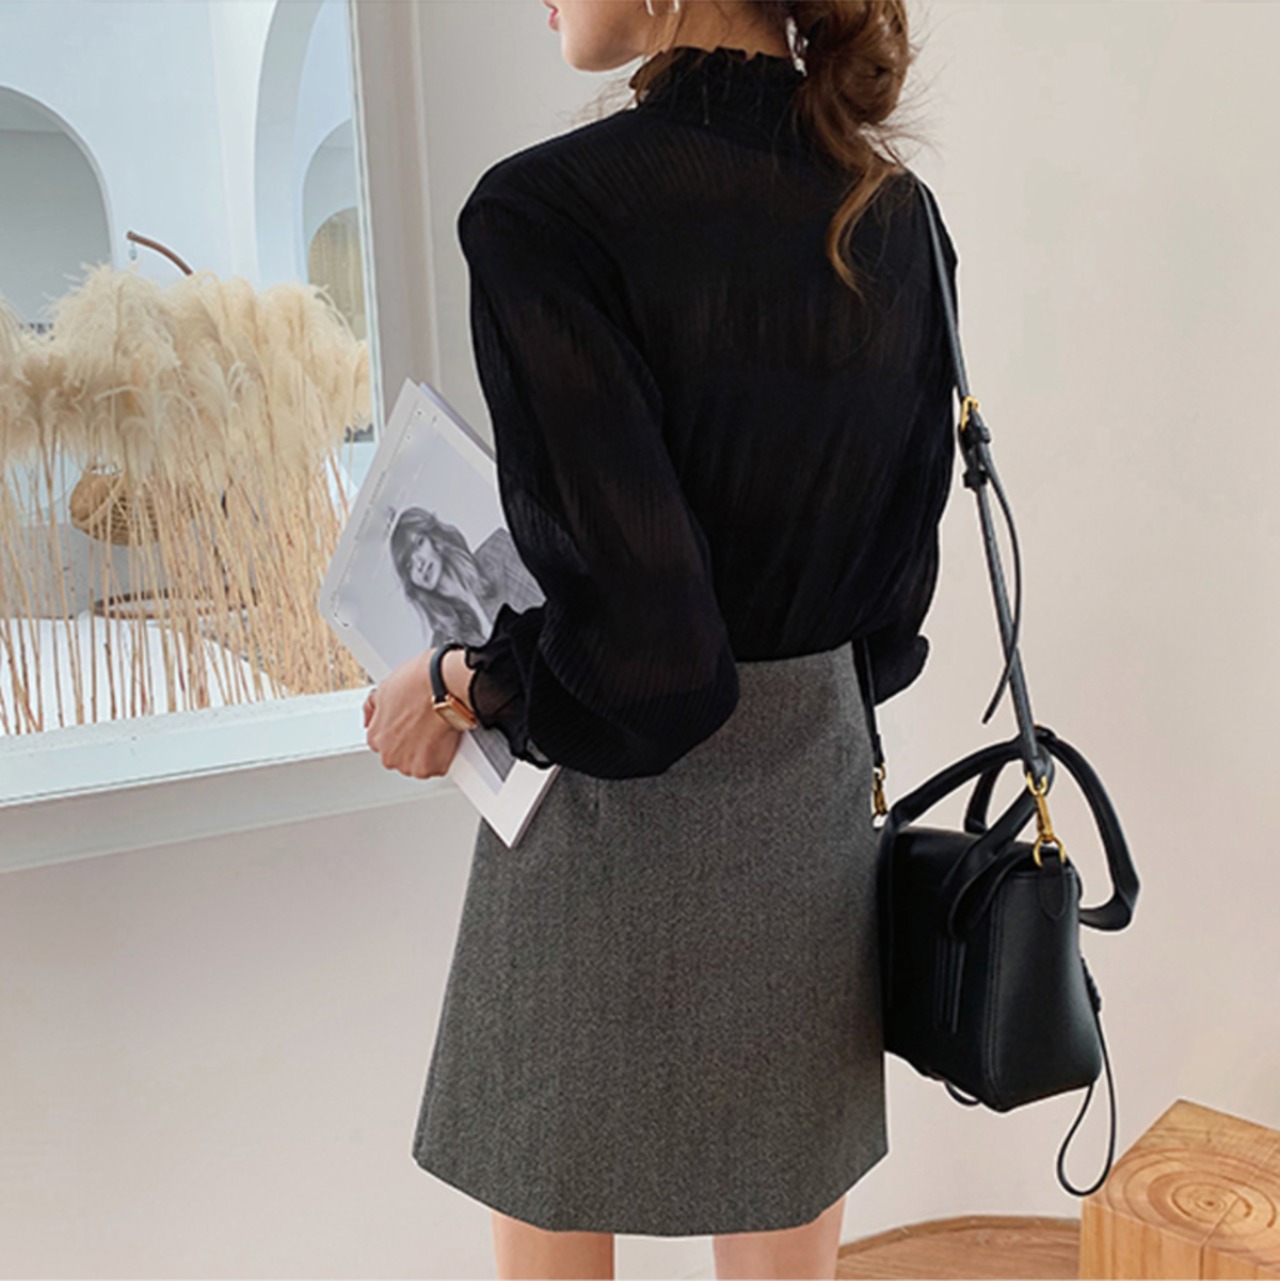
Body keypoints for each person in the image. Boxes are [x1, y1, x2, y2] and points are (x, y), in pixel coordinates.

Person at [363, 0, 959, 1276]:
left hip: (598, 821)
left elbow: (647, 662)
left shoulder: (544, 212)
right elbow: (892, 615)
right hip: (802, 818)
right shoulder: (895, 217)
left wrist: (458, 681)